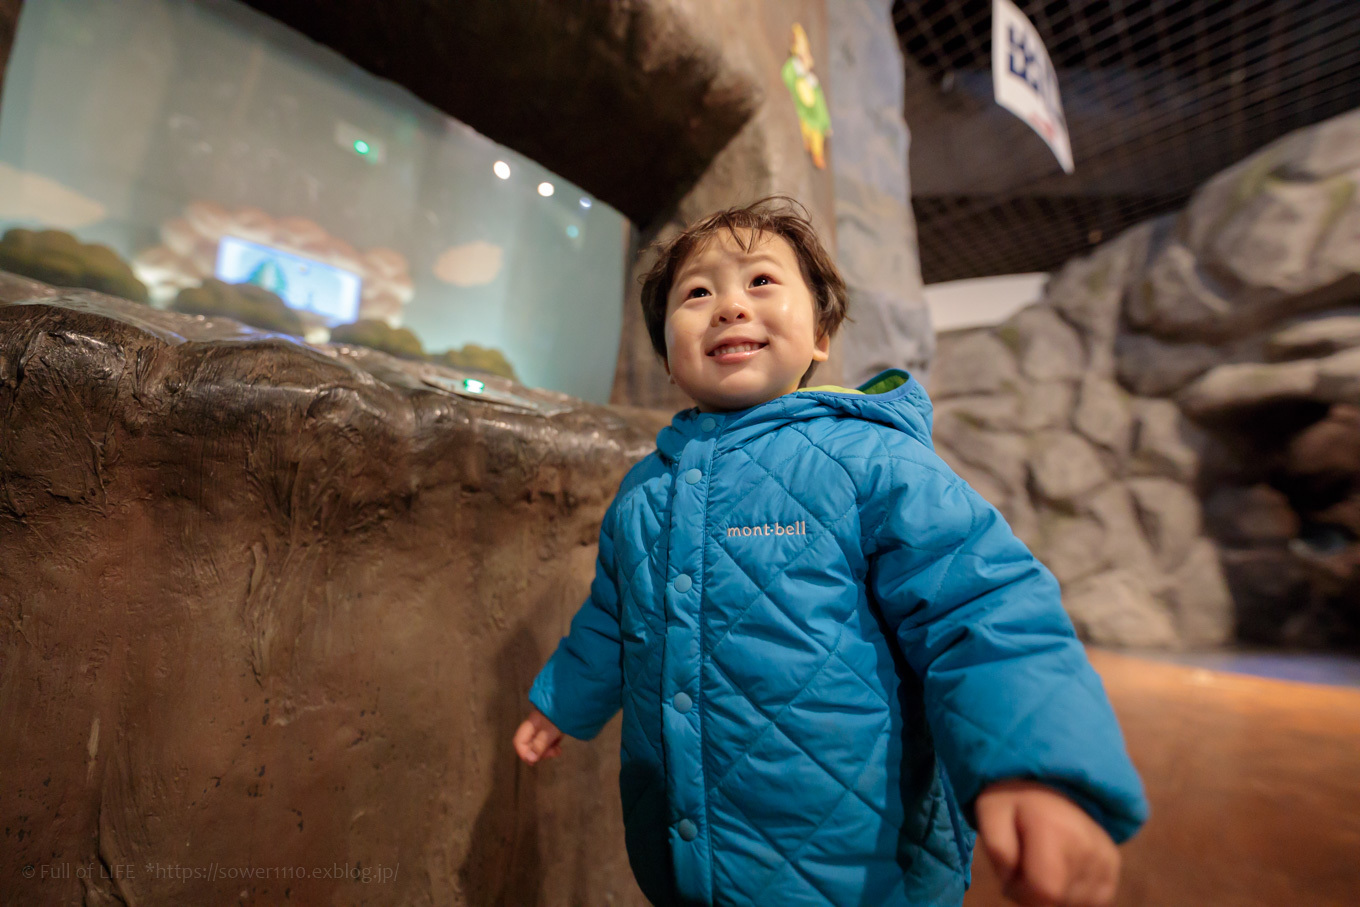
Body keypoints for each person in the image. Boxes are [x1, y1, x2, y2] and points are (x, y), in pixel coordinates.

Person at [514, 196, 1148, 907]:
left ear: (820, 332)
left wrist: (1037, 765)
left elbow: (981, 605)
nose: (728, 307)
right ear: (666, 354)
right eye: (697, 293)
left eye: (759, 281)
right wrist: (563, 700)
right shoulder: (642, 493)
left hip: (857, 864)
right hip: (691, 847)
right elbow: (612, 617)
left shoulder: (873, 461)